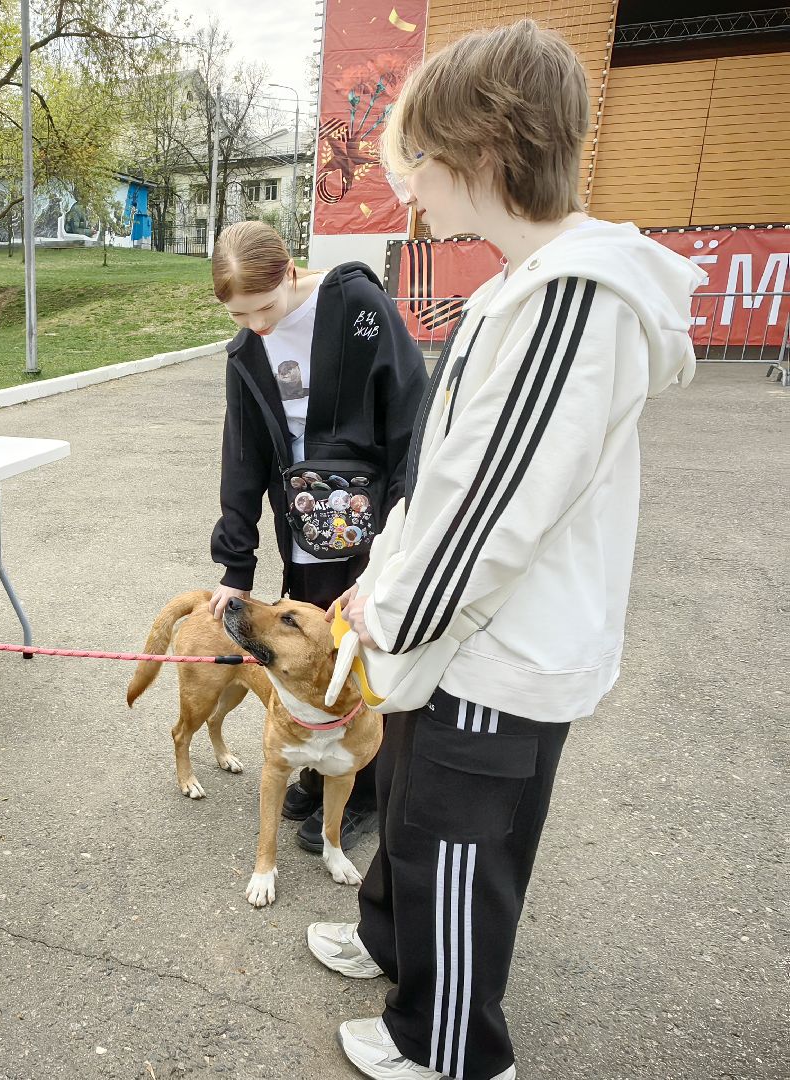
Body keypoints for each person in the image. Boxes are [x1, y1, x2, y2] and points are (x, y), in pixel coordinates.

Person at [305, 21, 703, 1080]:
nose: (411, 196)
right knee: (418, 814)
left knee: (459, 851)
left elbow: (490, 514)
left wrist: (385, 618)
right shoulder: (516, 292)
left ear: (483, 151)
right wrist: (376, 583)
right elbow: (441, 481)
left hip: (497, 651)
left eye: (420, 167)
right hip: (458, 640)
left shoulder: (570, 300)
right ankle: (390, 946)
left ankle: (448, 1049)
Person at [208, 221, 426, 853]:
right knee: (308, 650)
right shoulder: (247, 353)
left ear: (290, 270)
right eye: (240, 315)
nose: (258, 326)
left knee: (367, 651)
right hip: (303, 527)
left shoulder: (356, 306)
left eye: (265, 308)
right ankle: (318, 762)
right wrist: (235, 567)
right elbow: (241, 458)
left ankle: (364, 788)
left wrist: (402, 526)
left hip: (372, 526)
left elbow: (408, 412)